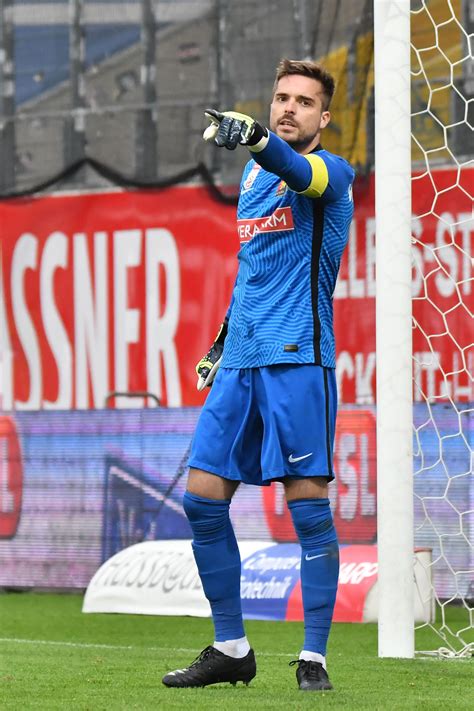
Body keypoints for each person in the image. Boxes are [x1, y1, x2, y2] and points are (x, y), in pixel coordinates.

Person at [162, 58, 354, 692]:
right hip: (242, 362)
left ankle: (314, 657)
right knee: (201, 499)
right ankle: (231, 647)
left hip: (298, 359)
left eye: (303, 102)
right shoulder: (250, 174)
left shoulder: (330, 172)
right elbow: (252, 273)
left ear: (323, 118)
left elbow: (297, 169)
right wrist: (220, 342)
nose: (288, 108)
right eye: (280, 98)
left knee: (307, 511)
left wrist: (261, 141)